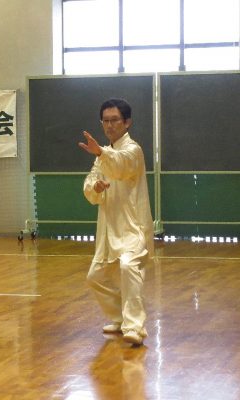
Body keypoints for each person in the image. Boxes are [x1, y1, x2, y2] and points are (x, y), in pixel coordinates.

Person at [78, 98, 153, 346]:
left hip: (132, 226)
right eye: (105, 121)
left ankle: (134, 326)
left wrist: (101, 152)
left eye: (114, 120)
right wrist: (96, 187)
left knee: (128, 265)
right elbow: (91, 183)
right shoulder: (102, 156)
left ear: (127, 122)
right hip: (109, 227)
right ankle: (120, 319)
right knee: (95, 277)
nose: (109, 125)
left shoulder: (133, 150)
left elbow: (120, 166)